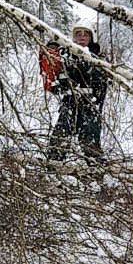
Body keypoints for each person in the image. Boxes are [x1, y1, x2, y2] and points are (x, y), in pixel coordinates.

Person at [46, 21, 109, 163]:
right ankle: (53, 168)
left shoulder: (98, 58)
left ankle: (96, 173)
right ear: (73, 37)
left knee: (90, 143)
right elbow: (55, 81)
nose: (82, 37)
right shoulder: (64, 55)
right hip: (69, 104)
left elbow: (102, 84)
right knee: (60, 139)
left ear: (91, 37)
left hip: (90, 107)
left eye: (85, 34)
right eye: (78, 34)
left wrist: (94, 100)